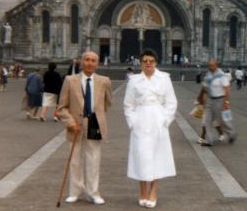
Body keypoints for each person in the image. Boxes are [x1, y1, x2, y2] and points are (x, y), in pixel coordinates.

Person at [57, 52, 113, 205]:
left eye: (93, 61)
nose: (89, 63)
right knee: (75, 160)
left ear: (97, 64)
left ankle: (93, 193)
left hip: (94, 123)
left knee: (94, 160)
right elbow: (61, 107)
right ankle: (74, 191)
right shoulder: (70, 80)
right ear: (82, 62)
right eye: (87, 60)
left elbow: (107, 103)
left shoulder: (104, 81)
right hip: (75, 125)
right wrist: (70, 122)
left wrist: (97, 115)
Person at [124, 49, 177, 208]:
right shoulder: (134, 80)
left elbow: (171, 102)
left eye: (151, 61)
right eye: (145, 61)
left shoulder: (164, 78)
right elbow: (128, 104)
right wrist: (132, 122)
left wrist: (165, 120)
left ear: (156, 62)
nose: (148, 64)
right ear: (140, 63)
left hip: (158, 120)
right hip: (140, 119)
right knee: (141, 156)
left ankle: (153, 191)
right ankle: (142, 191)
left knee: (157, 156)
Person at [199, 59, 237, 146]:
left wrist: (226, 102)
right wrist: (200, 97)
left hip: (220, 100)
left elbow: (227, 90)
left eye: (211, 65)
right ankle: (209, 140)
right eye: (209, 65)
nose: (210, 67)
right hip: (209, 99)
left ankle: (232, 134)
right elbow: (204, 87)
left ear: (216, 66)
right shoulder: (207, 76)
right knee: (207, 120)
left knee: (222, 120)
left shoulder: (222, 76)